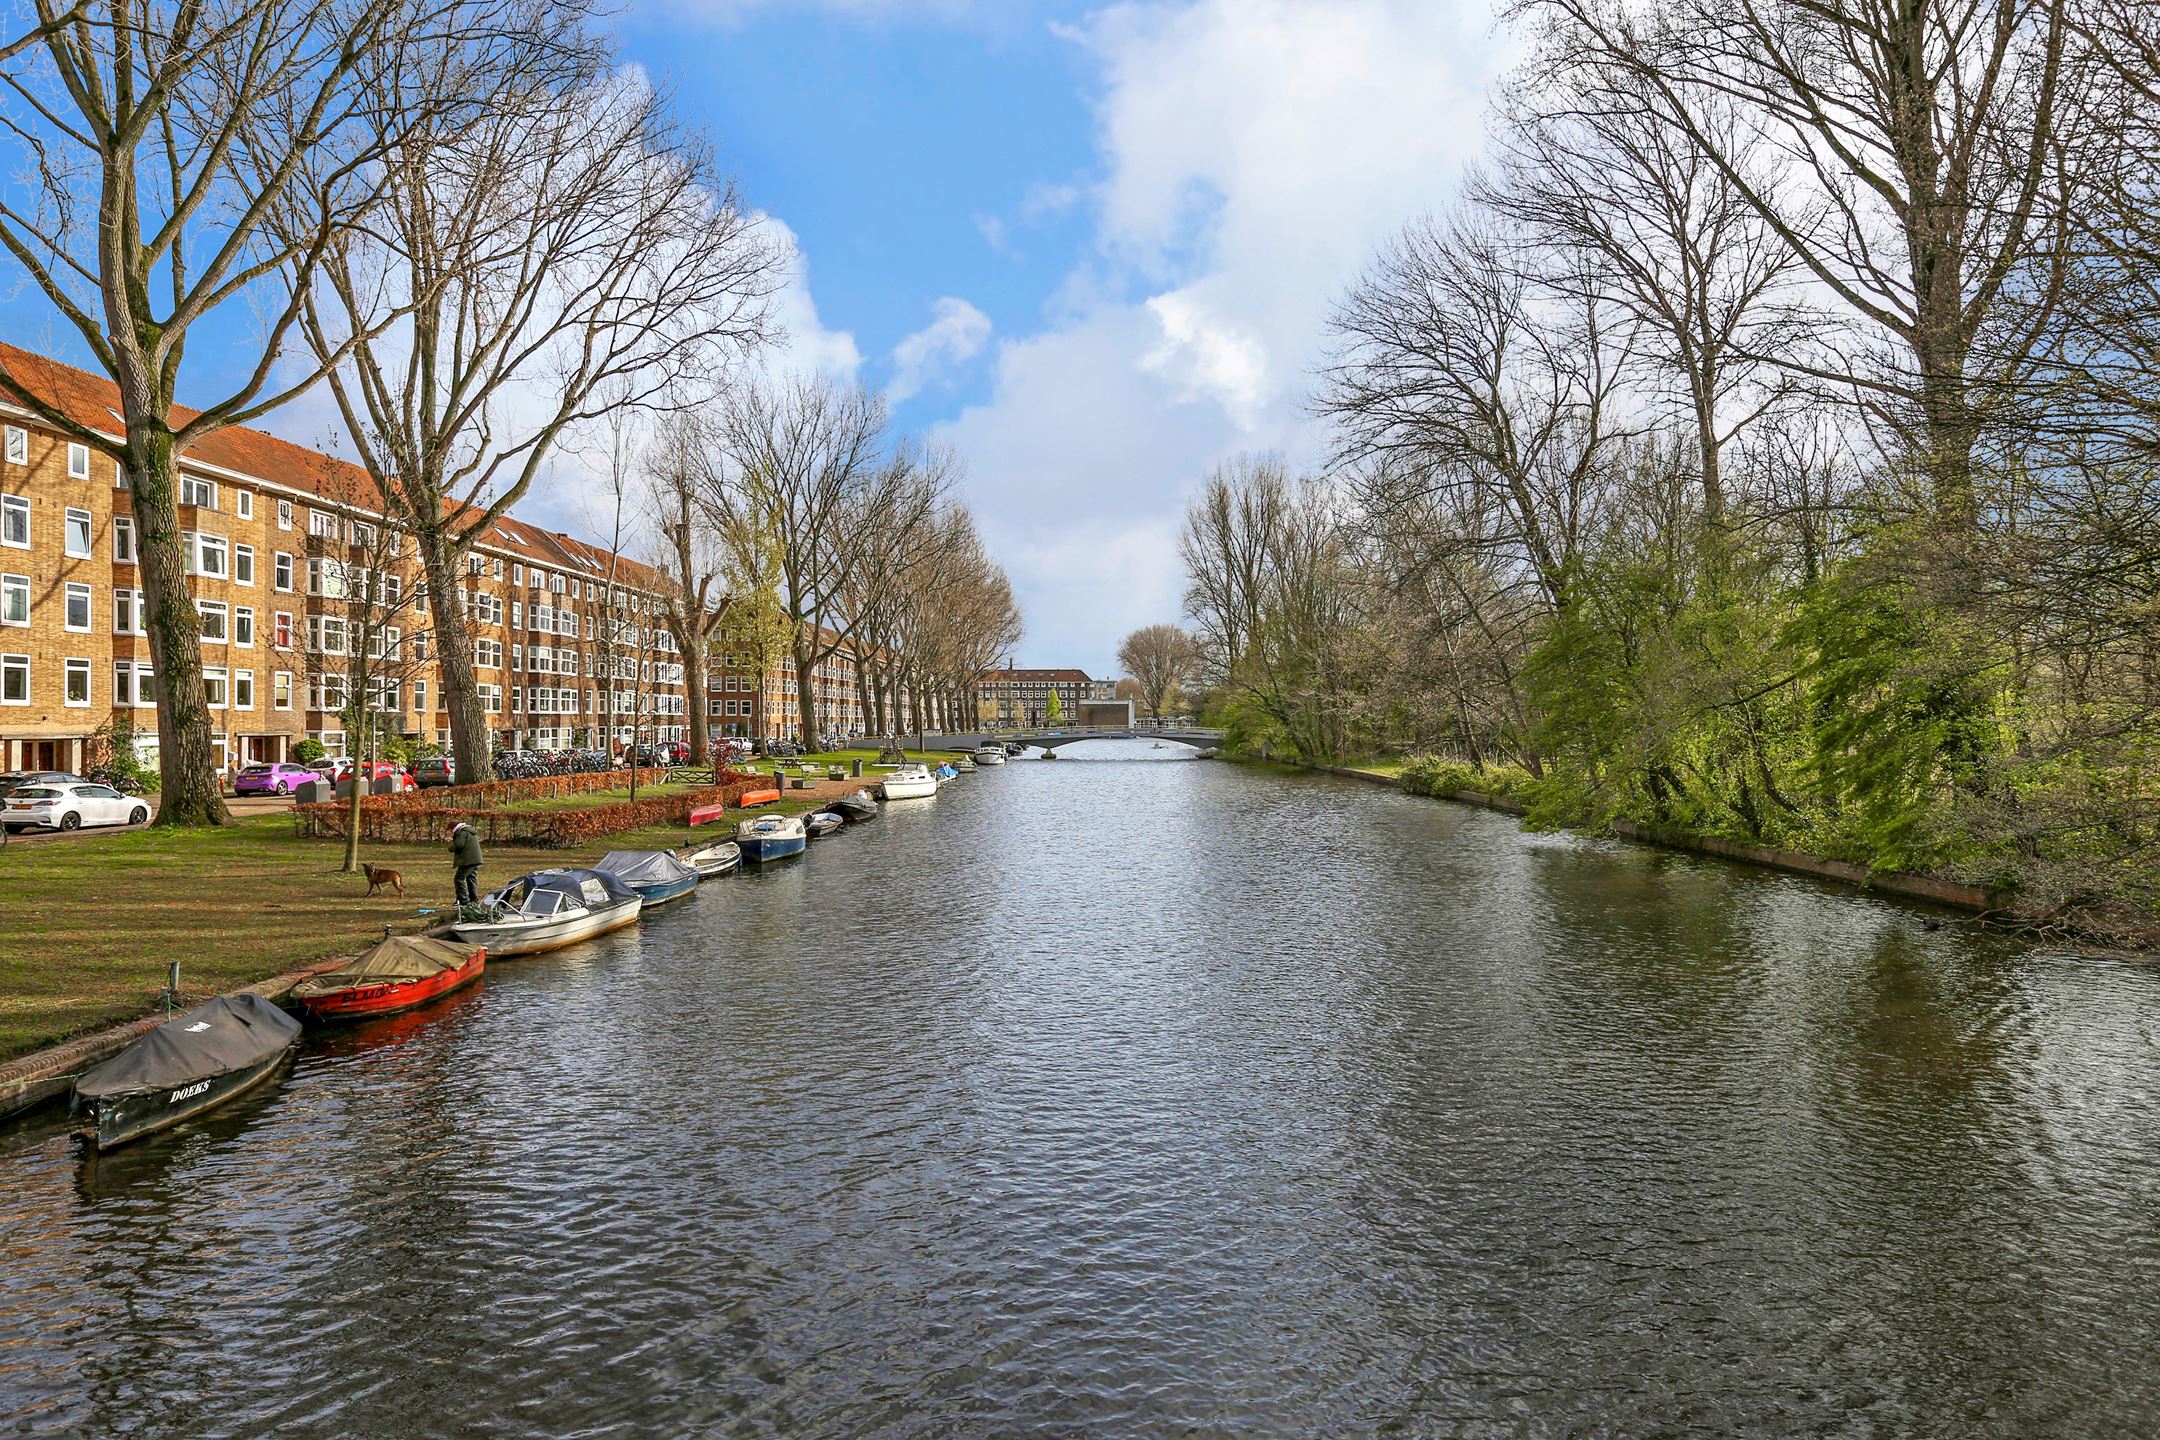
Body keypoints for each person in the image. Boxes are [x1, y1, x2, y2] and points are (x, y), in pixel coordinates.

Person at [448, 822, 483, 906]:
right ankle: (474, 900)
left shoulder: (462, 833)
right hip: (475, 859)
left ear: (452, 828)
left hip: (468, 860)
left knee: (459, 879)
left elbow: (459, 845)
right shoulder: (469, 831)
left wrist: (451, 848)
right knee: (471, 879)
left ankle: (463, 900)